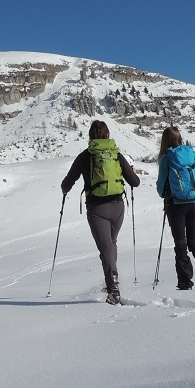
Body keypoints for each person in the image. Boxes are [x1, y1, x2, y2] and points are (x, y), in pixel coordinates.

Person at [61, 120, 140, 304]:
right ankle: (112, 281)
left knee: (106, 248)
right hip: (118, 206)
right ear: (107, 135)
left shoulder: (85, 156)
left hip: (97, 209)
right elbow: (135, 182)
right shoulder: (116, 154)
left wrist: (65, 190)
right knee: (111, 245)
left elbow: (68, 182)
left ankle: (113, 289)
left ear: (90, 135)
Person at [156, 126, 195, 290]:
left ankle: (185, 281)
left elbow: (161, 188)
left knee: (181, 243)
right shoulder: (192, 154)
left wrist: (168, 193)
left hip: (176, 205)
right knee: (194, 242)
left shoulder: (167, 158)